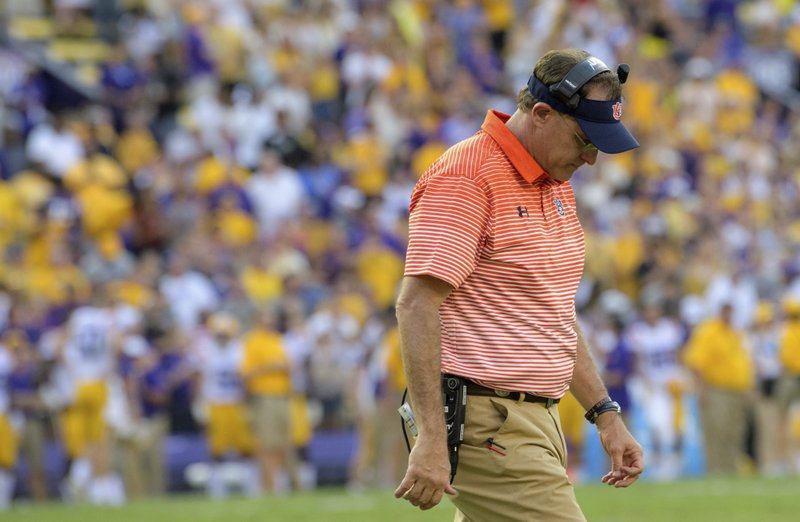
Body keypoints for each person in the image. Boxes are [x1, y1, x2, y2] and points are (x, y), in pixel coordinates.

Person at [394, 48, 644, 521]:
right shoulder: (467, 175)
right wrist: (430, 435)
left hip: (534, 420)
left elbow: (549, 312)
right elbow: (416, 304)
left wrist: (604, 413)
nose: (591, 158)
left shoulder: (552, 179)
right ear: (542, 114)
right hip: (489, 420)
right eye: (584, 140)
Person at [683, 302, 754, 476]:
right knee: (717, 432)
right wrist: (702, 389)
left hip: (736, 391)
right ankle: (717, 471)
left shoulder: (734, 333)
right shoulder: (708, 332)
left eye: (731, 311)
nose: (728, 315)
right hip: (716, 390)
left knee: (735, 432)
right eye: (725, 311)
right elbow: (696, 362)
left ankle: (731, 470)